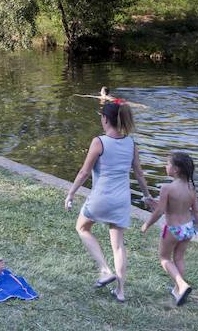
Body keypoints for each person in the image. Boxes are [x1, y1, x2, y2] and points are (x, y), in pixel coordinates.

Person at [64, 100, 156, 303]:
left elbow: (84, 172)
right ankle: (121, 292)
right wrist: (147, 196)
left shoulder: (99, 141)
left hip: (101, 197)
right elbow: (139, 174)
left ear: (105, 119)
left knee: (82, 228)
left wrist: (71, 193)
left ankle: (105, 270)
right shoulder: (131, 144)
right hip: (122, 200)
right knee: (118, 245)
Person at [141, 152, 198, 306]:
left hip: (173, 229)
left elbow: (160, 211)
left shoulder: (167, 188)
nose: (166, 166)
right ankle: (178, 290)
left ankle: (182, 285)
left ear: (176, 169)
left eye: (168, 164)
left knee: (164, 258)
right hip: (188, 228)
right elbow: (195, 210)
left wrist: (147, 224)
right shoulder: (192, 188)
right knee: (179, 258)